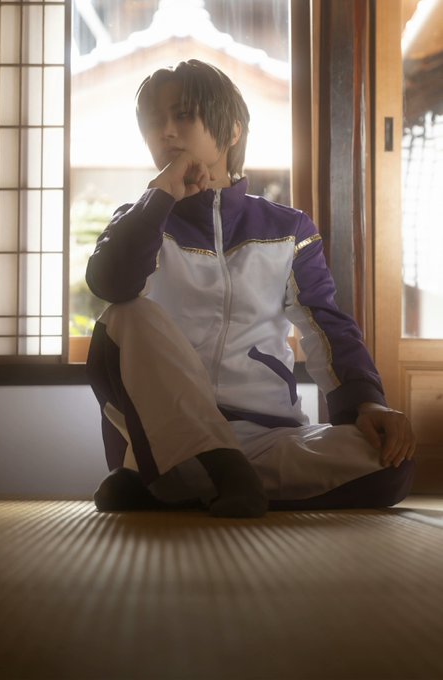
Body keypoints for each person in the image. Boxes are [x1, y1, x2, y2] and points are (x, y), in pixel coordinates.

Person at [86, 59, 416, 518]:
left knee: (390, 463)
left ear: (233, 130)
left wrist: (367, 403)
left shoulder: (289, 229)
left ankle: (178, 486)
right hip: (167, 435)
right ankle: (207, 473)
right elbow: (109, 282)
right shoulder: (140, 219)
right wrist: (160, 194)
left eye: (183, 115)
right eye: (154, 121)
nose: (166, 131)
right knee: (125, 313)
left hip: (268, 437)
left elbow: (326, 326)